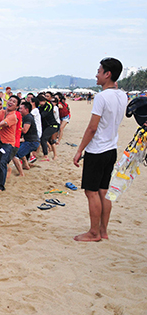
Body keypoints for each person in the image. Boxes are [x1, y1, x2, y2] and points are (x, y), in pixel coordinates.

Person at [73, 57, 128, 242]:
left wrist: (80, 149)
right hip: (111, 148)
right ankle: (103, 231)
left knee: (91, 192)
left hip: (97, 150)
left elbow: (92, 128)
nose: (96, 75)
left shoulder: (102, 97)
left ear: (107, 74)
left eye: (99, 71)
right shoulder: (122, 95)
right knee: (103, 190)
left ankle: (93, 232)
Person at [0, 95, 19, 191]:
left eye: (14, 102)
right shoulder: (1, 112)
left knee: (2, 162)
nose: (10, 102)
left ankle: (1, 186)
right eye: (10, 100)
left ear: (16, 107)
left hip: (8, 143)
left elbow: (0, 124)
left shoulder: (13, 116)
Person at [14, 101, 40, 174]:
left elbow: (25, 130)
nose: (19, 110)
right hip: (29, 141)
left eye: (21, 109)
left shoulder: (28, 117)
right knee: (17, 149)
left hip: (32, 142)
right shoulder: (26, 117)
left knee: (15, 156)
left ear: (26, 109)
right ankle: (26, 165)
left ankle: (21, 174)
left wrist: (15, 127)